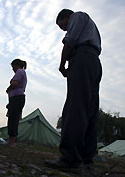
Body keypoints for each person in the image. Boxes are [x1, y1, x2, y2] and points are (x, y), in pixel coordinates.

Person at [46, 9, 102, 168]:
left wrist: (62, 64)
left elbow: (70, 41)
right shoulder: (90, 27)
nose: (62, 29)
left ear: (67, 17)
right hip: (93, 62)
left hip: (82, 59)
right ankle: (86, 159)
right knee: (90, 109)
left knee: (75, 107)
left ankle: (70, 159)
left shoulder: (77, 16)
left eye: (61, 25)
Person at [6, 59, 27, 147]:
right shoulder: (22, 72)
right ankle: (11, 139)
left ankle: (12, 140)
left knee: (13, 118)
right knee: (12, 118)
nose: (12, 69)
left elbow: (15, 83)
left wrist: (8, 89)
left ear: (16, 65)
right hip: (16, 98)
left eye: (13, 67)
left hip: (17, 98)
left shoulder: (20, 71)